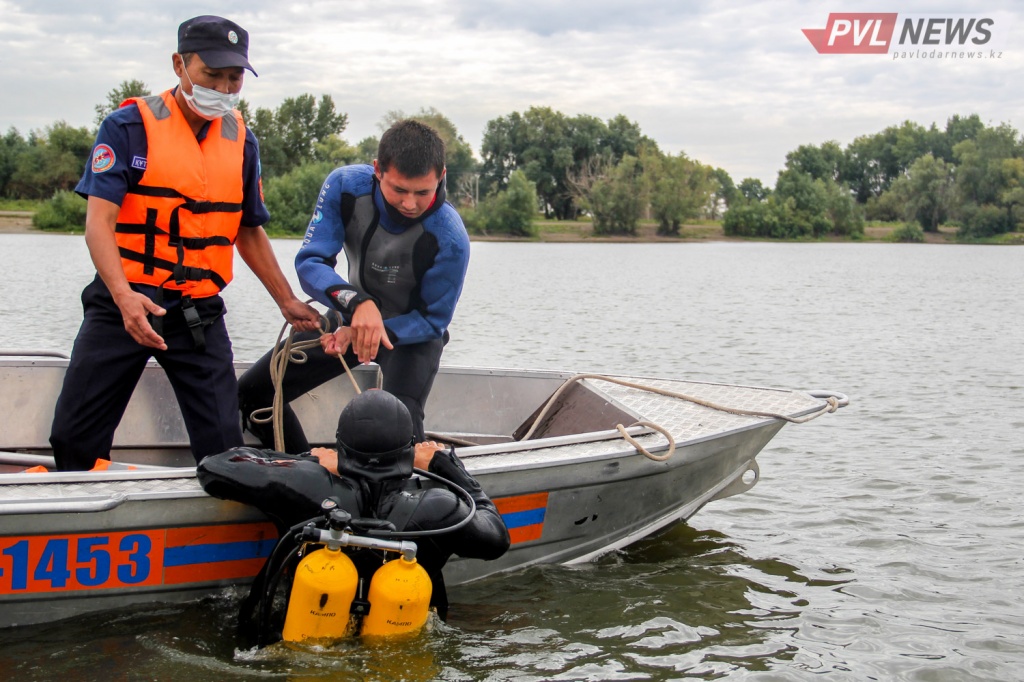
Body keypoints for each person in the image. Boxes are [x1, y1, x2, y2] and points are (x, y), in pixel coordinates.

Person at [49, 16, 320, 471]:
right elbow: (99, 223)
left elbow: (247, 228)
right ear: (179, 64)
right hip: (124, 300)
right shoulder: (127, 127)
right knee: (74, 437)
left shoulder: (241, 140)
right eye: (212, 74)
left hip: (197, 311)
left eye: (234, 77)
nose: (224, 86)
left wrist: (286, 299)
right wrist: (123, 297)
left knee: (224, 449)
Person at [238, 119, 470, 452]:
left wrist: (365, 330)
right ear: (378, 170)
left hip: (410, 334)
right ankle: (305, 472)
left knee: (396, 426)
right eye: (399, 190)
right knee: (254, 393)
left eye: (423, 192)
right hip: (348, 312)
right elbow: (311, 263)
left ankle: (404, 495)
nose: (409, 203)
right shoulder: (346, 186)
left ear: (441, 177)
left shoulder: (449, 237)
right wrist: (358, 305)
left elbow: (433, 320)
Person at [197, 389, 510, 627]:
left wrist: (309, 461)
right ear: (408, 450)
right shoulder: (440, 506)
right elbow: (496, 538)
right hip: (398, 643)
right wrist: (448, 466)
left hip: (309, 637)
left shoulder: (305, 486)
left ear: (340, 446)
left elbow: (214, 467)